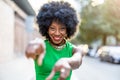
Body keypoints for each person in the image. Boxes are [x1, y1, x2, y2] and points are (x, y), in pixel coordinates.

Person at [26, 1, 86, 80]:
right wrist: (33, 47)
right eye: (52, 28)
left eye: (62, 28)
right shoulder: (41, 47)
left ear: (68, 29)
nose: (57, 33)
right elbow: (33, 49)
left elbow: (77, 60)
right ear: (46, 29)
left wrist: (67, 61)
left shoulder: (74, 50)